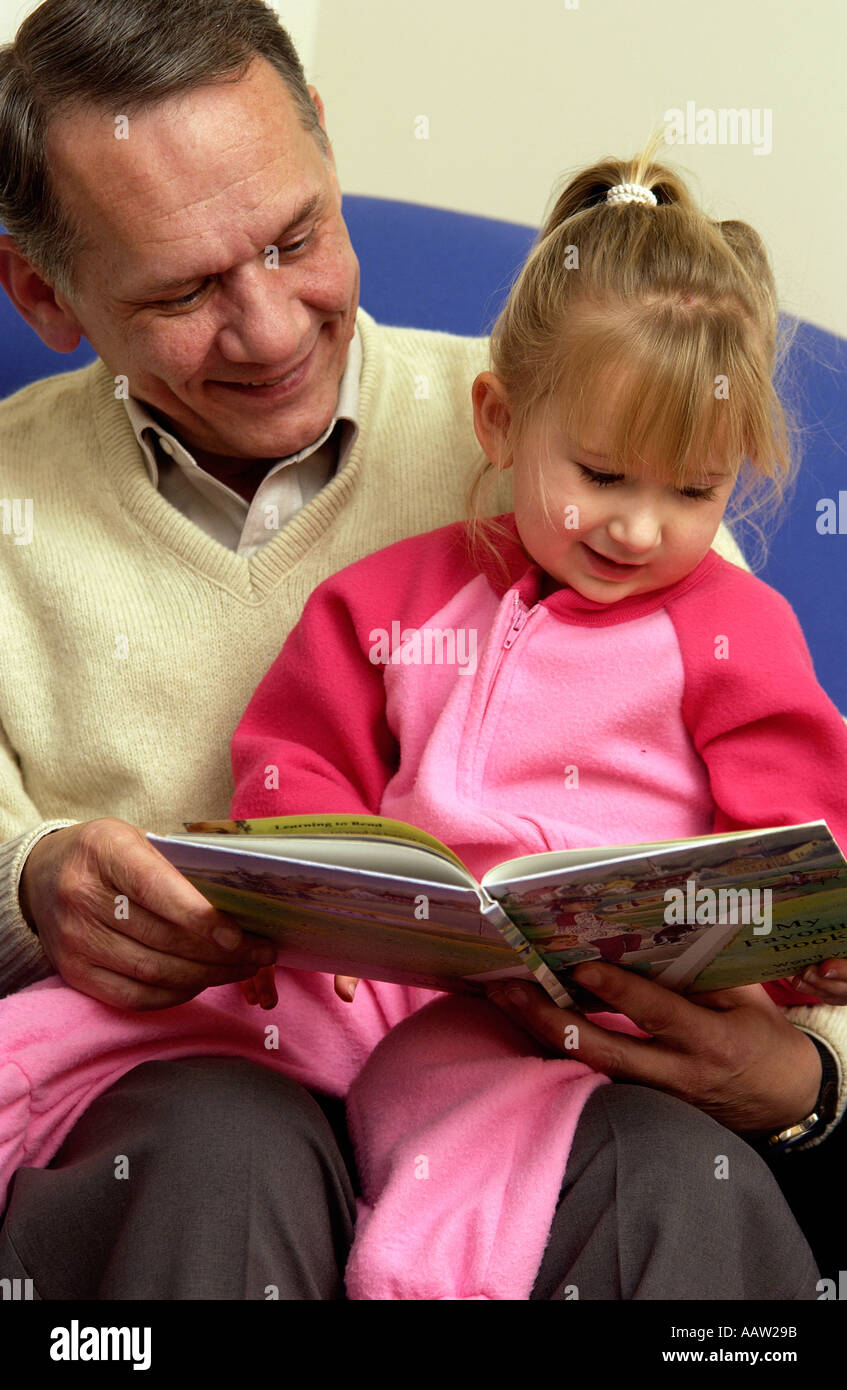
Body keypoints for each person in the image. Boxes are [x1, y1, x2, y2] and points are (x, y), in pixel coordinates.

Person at [0, 0, 836, 1300]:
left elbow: (793, 825)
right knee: (223, 1150)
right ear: (40, 291)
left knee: (675, 1179)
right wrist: (34, 878)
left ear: (326, 148)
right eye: (182, 290)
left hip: (551, 1058)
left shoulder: (592, 417)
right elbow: (296, 752)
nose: (272, 330)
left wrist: (804, 1070)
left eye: (294, 237)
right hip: (203, 1069)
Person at [226, 143, 847, 1298]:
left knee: (535, 1129)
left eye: (693, 491)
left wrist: (804, 953)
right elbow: (288, 759)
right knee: (181, 1028)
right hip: (413, 985)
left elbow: (800, 834)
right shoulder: (397, 596)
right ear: (501, 421)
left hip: (627, 1014)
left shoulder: (733, 628)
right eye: (602, 475)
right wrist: (323, 889)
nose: (641, 528)